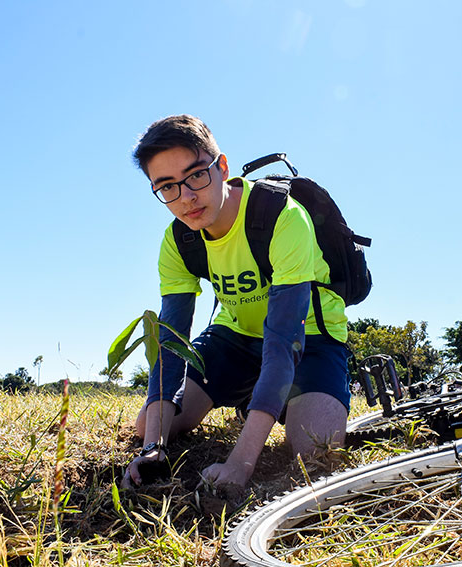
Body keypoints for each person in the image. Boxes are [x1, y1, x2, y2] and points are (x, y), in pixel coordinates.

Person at [122, 115, 351, 489]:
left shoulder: (282, 217)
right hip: (236, 337)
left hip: (308, 337)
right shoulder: (178, 242)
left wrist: (240, 463)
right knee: (150, 424)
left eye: (196, 175)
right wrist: (153, 448)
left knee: (315, 451)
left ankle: (287, 398)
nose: (186, 197)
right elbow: (172, 342)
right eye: (167, 187)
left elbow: (283, 342)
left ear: (222, 167)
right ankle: (256, 397)